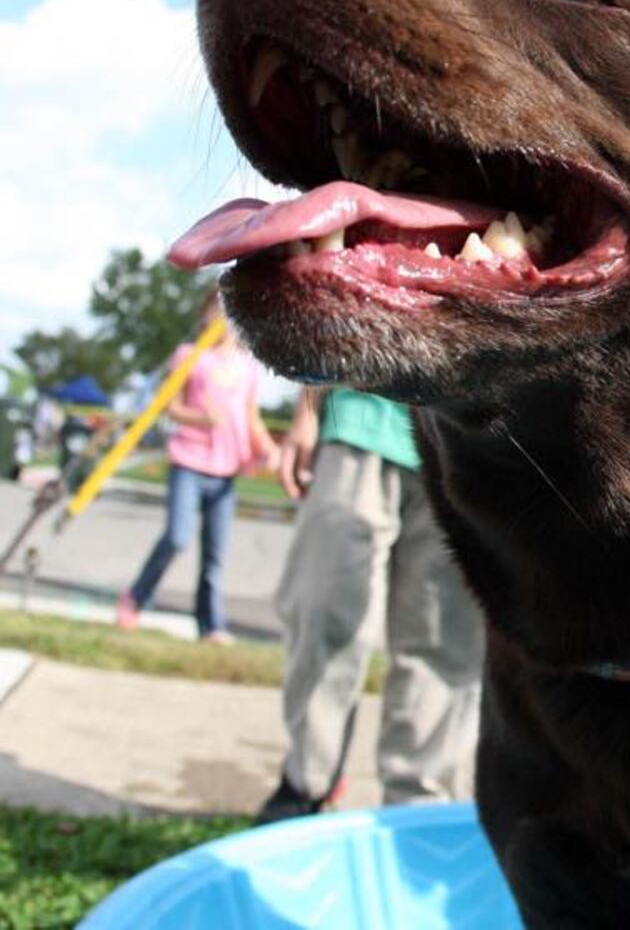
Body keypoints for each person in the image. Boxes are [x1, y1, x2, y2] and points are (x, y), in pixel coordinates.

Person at [255, 385, 484, 822]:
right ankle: (308, 781)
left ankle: (418, 802)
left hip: (466, 438)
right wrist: (307, 416)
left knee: (444, 640)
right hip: (361, 419)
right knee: (323, 609)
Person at [118, 289, 276, 643]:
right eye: (212, 310)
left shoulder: (247, 365)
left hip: (224, 470)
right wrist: (199, 417)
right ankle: (136, 597)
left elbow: (251, 418)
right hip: (189, 460)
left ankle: (211, 625)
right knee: (177, 535)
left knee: (215, 555)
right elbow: (169, 406)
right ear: (204, 315)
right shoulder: (189, 357)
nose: (219, 317)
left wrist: (268, 449)